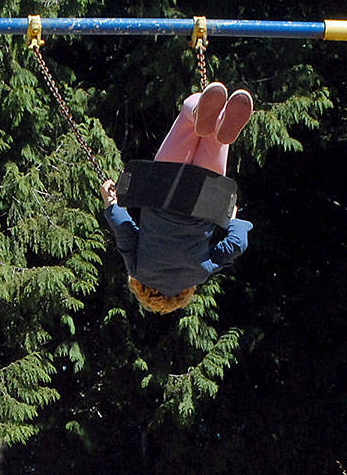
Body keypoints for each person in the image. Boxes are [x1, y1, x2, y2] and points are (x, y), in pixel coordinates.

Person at [100, 81, 255, 313]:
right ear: (140, 288)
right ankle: (197, 112)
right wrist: (111, 202)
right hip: (162, 191)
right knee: (187, 117)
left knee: (217, 139)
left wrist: (232, 221)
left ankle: (220, 124)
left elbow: (237, 244)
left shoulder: (200, 273)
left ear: (185, 294)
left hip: (205, 200)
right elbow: (124, 230)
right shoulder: (138, 269)